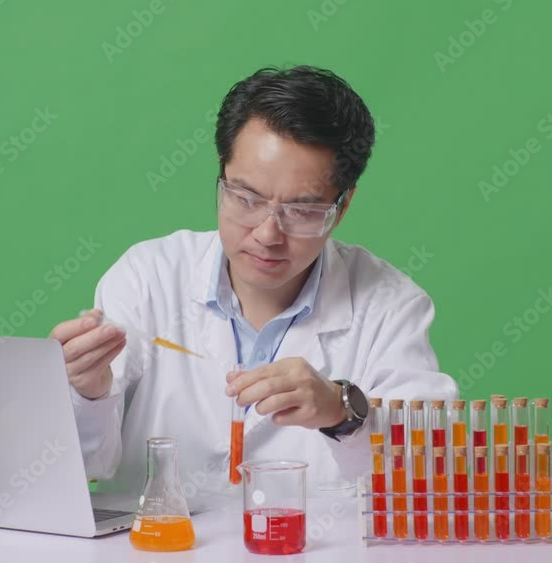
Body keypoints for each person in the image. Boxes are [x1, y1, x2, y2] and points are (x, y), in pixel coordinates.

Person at [51, 65, 457, 504]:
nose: (267, 233)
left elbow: (430, 472)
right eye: (245, 198)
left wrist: (341, 413)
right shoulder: (147, 277)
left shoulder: (391, 305)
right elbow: (80, 465)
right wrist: (85, 392)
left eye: (301, 211)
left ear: (342, 207)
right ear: (221, 176)